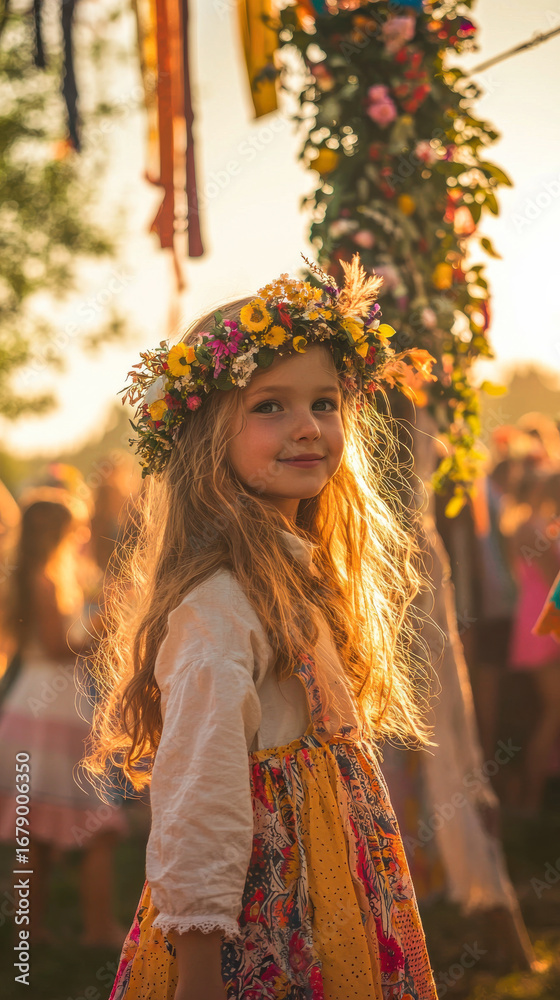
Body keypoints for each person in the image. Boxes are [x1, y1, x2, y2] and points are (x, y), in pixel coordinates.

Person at [83, 258, 439, 999]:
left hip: (332, 896)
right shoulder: (217, 610)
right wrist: (203, 979)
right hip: (258, 928)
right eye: (269, 406)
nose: (308, 426)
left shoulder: (296, 573)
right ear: (210, 436)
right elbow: (199, 799)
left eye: (325, 402)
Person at [0, 490, 128, 946]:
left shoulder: (42, 576)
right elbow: (59, 648)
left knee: (33, 829)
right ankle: (98, 929)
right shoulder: (45, 581)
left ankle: (29, 931)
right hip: (51, 716)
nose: (82, 534)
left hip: (31, 709)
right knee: (98, 828)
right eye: (75, 526)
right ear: (54, 531)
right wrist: (106, 626)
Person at [507, 469, 560, 816]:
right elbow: (549, 572)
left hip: (538, 619)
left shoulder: (527, 525)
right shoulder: (531, 528)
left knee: (546, 710)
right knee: (554, 710)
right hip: (544, 623)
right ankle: (531, 800)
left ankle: (532, 796)